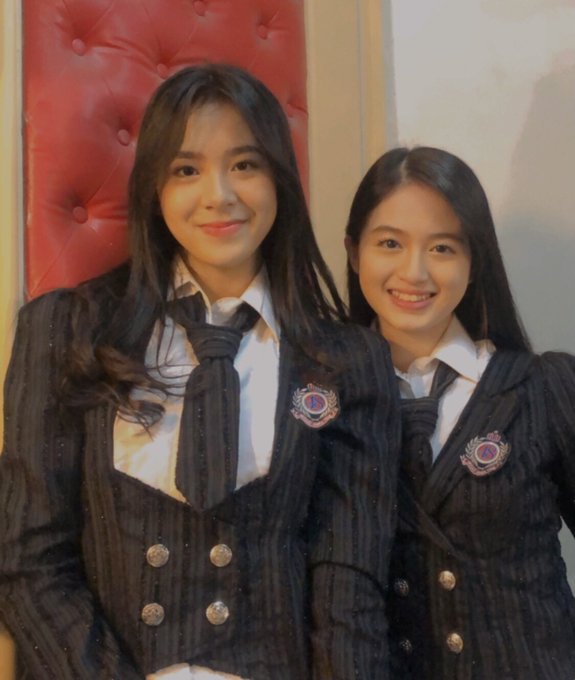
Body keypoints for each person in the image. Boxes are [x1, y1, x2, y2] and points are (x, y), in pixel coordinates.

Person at [0, 64, 400, 680]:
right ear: (154, 189)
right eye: (187, 170)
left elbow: (347, 583)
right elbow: (27, 559)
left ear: (279, 179)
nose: (219, 195)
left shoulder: (346, 359)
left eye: (245, 164)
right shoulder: (68, 329)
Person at [344, 146, 575, 680]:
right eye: (390, 243)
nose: (414, 271)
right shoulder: (325, 403)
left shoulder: (543, 389)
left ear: (475, 262)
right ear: (354, 253)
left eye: (442, 247)